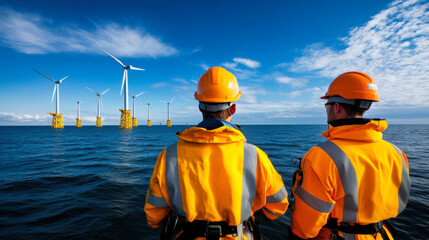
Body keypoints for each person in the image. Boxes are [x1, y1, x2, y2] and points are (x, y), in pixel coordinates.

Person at [145, 66, 289, 240]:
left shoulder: (169, 155)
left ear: (200, 107)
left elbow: (154, 216)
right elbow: (278, 205)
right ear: (233, 108)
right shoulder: (255, 155)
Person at [289, 72, 411, 240]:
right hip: (383, 234)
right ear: (365, 107)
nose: (327, 110)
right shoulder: (396, 152)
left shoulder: (322, 156)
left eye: (327, 105)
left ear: (337, 107)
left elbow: (306, 224)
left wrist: (296, 234)